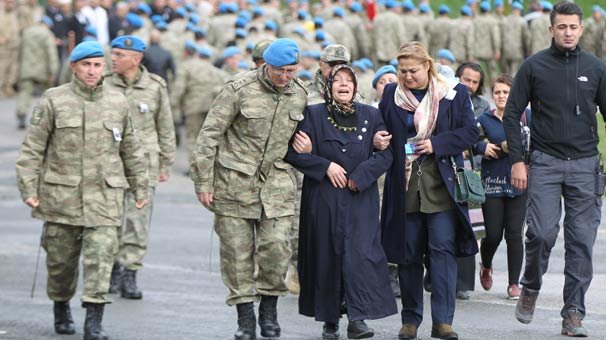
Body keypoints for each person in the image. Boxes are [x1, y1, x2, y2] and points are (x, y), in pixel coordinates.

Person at [15, 40, 148, 340]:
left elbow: (131, 149)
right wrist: (28, 187)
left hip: (105, 198)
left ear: (105, 68)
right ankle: (61, 305)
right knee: (60, 263)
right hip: (61, 197)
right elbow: (32, 150)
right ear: (74, 67)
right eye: (86, 65)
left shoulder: (117, 102)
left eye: (97, 65)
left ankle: (94, 321)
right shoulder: (53, 100)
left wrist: (140, 187)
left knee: (101, 256)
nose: (92, 71)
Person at [190, 38, 307, 340]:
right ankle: (245, 319)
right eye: (280, 70)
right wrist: (203, 182)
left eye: (291, 70)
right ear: (265, 65)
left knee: (277, 249)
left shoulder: (300, 94)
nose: (285, 76)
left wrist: (309, 147)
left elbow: (316, 134)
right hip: (234, 184)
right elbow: (209, 135)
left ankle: (269, 309)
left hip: (278, 185)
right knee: (237, 255)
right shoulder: (238, 90)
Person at [503, 2, 606, 337]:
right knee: (542, 233)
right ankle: (530, 286)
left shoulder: (595, 67)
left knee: (580, 243)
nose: (568, 32)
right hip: (544, 162)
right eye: (561, 27)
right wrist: (518, 160)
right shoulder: (534, 66)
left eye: (573, 27)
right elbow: (512, 112)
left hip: (584, 165)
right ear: (551, 29)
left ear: (581, 29)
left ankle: (573, 313)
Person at [375, 41, 479, 340]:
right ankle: (410, 320)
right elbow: (381, 132)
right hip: (405, 186)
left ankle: (443, 321)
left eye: (413, 71)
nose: (408, 77)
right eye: (403, 71)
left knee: (442, 251)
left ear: (428, 66)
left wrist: (437, 144)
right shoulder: (390, 98)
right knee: (408, 254)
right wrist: (380, 140)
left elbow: (470, 132)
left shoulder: (453, 93)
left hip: (441, 185)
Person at [285, 64, 396, 340]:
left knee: (359, 256)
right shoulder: (313, 114)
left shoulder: (372, 115)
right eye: (338, 80)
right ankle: (330, 320)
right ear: (329, 86)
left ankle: (357, 319)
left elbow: (386, 154)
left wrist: (360, 176)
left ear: (356, 87)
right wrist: (324, 166)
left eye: (349, 81)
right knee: (327, 255)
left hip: (360, 197)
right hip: (324, 198)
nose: (343, 85)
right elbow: (293, 153)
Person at [105, 35, 176, 300]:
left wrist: (165, 162)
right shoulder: (102, 84)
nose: (113, 59)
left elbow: (165, 127)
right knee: (109, 220)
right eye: (112, 54)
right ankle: (110, 268)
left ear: (136, 59)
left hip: (144, 165)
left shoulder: (155, 87)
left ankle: (130, 272)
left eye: (119, 55)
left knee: (137, 222)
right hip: (109, 163)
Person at [474, 74, 527, 300]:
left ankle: (514, 283)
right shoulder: (484, 119)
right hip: (492, 183)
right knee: (494, 235)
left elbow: (533, 141)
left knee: (515, 234)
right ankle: (486, 264)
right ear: (492, 94)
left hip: (519, 184)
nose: (502, 96)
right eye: (497, 92)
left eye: (506, 92)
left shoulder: (526, 117)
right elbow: (472, 142)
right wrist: (483, 147)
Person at [15, 15, 59, 130]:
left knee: (25, 92)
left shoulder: (26, 32)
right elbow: (51, 53)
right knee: (46, 95)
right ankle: (42, 118)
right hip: (42, 70)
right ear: (47, 25)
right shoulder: (47, 34)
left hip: (26, 68)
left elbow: (19, 51)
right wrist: (54, 70)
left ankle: (22, 114)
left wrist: (19, 67)